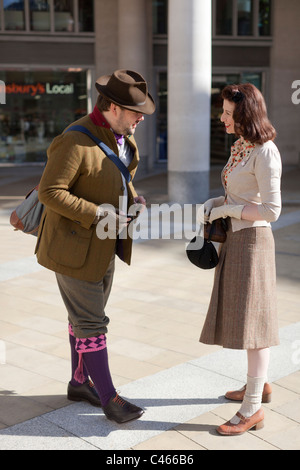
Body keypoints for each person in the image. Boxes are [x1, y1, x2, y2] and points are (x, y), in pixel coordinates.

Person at [35, 70, 155, 424]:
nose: (141, 117)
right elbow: (50, 192)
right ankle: (109, 398)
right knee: (92, 323)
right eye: (136, 110)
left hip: (104, 246)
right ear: (114, 107)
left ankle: (78, 382)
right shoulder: (74, 140)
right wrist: (100, 213)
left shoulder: (122, 139)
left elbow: (117, 178)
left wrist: (133, 199)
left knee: (83, 319)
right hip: (72, 250)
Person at [199, 83, 282, 436]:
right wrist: (217, 203)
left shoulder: (264, 152)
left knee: (255, 330)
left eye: (229, 114)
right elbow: (240, 192)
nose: (222, 118)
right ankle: (257, 386)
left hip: (254, 243)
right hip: (236, 239)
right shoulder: (240, 146)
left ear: (245, 115)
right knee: (246, 321)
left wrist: (230, 208)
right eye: (223, 111)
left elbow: (272, 209)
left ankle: (252, 410)